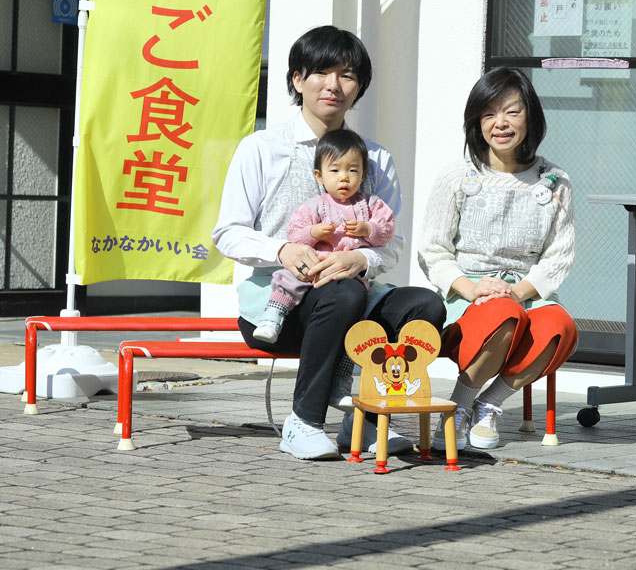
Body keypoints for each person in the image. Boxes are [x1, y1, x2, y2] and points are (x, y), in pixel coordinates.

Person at [213, 25, 445, 460]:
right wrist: (283, 250)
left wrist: (359, 256)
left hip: (350, 292)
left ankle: (367, 421)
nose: (334, 85)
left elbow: (390, 243)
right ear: (298, 80)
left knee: (424, 306)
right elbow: (227, 232)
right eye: (321, 72)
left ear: (359, 89)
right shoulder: (261, 148)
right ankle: (303, 421)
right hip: (278, 307)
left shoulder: (375, 159)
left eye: (348, 75)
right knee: (341, 294)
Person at [418, 68, 578, 451]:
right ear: (476, 122)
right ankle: (458, 404)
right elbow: (433, 250)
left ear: (531, 117)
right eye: (488, 114)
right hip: (467, 298)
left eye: (511, 111)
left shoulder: (555, 181)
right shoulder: (457, 177)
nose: (500, 124)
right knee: (501, 315)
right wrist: (472, 288)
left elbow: (559, 255)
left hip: (525, 292)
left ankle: (489, 403)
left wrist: (518, 292)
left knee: (560, 325)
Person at [254, 128, 395, 344]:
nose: (344, 178)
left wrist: (368, 229)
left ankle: (346, 367)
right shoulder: (315, 206)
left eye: (353, 171)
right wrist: (313, 232)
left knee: (357, 304)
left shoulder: (370, 204)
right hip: (314, 266)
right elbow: (294, 233)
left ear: (363, 174)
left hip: (348, 273)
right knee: (288, 280)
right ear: (319, 176)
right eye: (335, 170)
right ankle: (272, 318)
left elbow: (386, 231)